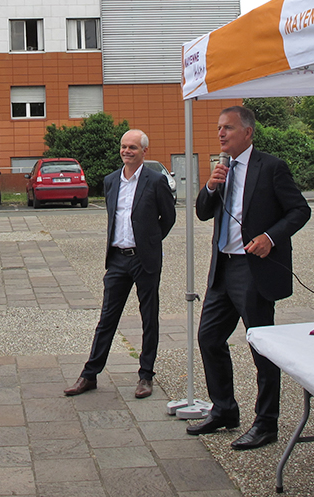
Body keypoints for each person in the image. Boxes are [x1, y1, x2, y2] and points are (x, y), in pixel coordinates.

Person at [187, 105, 310, 449]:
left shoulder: (271, 167)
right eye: (219, 128)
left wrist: (270, 238)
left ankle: (266, 423)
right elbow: (201, 212)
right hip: (223, 267)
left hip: (254, 271)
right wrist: (210, 187)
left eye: (227, 128)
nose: (221, 133)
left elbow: (300, 210)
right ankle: (224, 409)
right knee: (209, 338)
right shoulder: (221, 168)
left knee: (263, 349)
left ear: (248, 132)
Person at [65, 129, 176, 399]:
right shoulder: (111, 181)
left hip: (144, 260)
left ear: (144, 151)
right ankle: (89, 375)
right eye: (124, 147)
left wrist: (149, 242)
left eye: (133, 148)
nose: (127, 151)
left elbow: (169, 218)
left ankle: (146, 375)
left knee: (148, 318)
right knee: (106, 319)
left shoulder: (156, 181)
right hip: (117, 260)